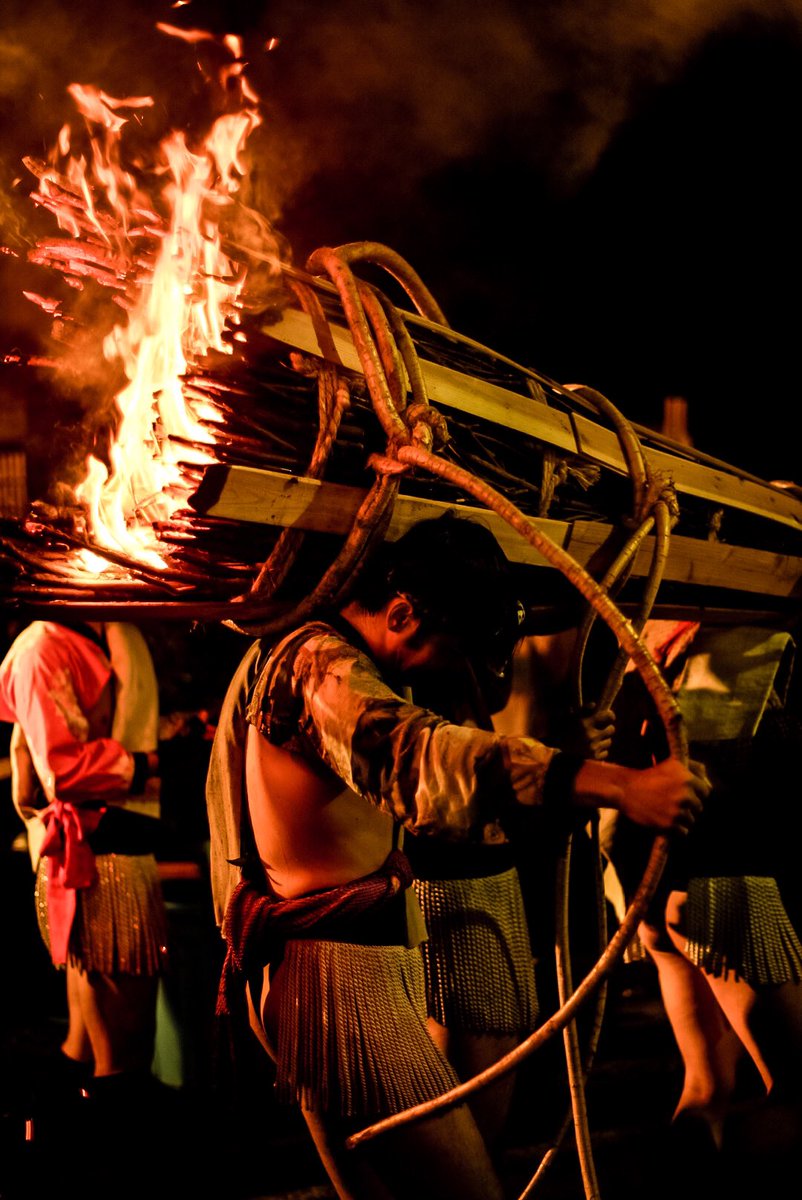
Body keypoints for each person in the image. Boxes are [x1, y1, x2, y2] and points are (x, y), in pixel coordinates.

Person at [206, 513, 709, 1200]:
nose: (454, 675)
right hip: (335, 985)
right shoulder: (317, 662)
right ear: (403, 611)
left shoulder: (314, 650)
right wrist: (620, 784)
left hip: (346, 972)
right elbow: (421, 759)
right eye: (452, 650)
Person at [0, 619, 169, 1151]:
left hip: (109, 854)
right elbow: (61, 769)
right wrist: (154, 765)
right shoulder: (42, 645)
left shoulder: (102, 631)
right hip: (98, 860)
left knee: (90, 1046)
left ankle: (47, 1163)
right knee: (124, 1054)